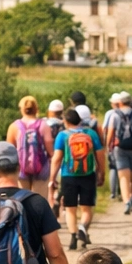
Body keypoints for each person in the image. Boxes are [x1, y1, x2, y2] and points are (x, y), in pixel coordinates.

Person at [51, 106, 105, 251]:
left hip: (68, 176)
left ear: (66, 121)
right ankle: (83, 228)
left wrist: (52, 178)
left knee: (70, 209)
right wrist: (101, 172)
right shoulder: (91, 134)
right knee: (87, 208)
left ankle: (73, 236)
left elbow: (57, 158)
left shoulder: (63, 136)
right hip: (88, 175)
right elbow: (100, 154)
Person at [6, 96, 56, 203]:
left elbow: (9, 148)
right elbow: (50, 149)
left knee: (21, 199)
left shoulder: (14, 126)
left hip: (20, 168)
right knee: (40, 200)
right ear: (36, 108)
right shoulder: (43, 125)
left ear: (21, 109)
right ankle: (37, 219)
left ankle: (24, 219)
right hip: (41, 167)